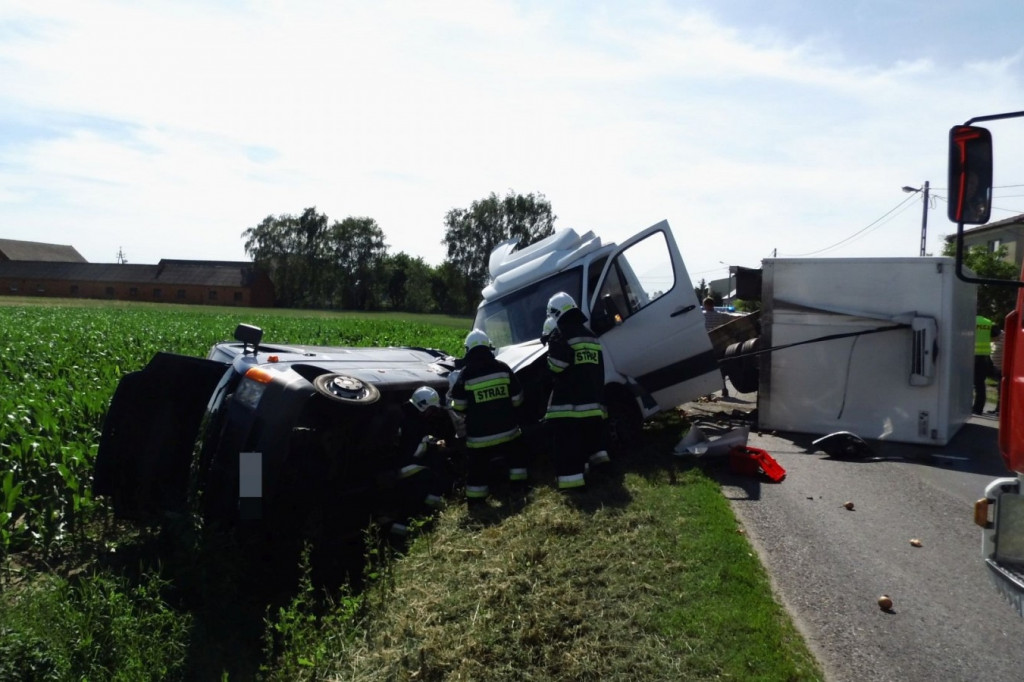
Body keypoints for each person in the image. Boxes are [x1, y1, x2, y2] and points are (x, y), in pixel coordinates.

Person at [449, 329, 526, 503]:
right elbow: (517, 399)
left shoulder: (465, 374)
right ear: (488, 347)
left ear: (468, 350)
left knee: (477, 470)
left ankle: (477, 501)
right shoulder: (503, 368)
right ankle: (518, 489)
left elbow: (459, 406)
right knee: (516, 458)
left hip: (479, 438)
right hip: (508, 432)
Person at [544, 291, 608, 491]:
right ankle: (600, 476)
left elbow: (557, 365)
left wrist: (550, 346)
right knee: (589, 445)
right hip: (592, 405)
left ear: (555, 313)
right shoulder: (591, 336)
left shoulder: (561, 332)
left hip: (568, 407)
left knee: (568, 449)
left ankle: (573, 487)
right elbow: (599, 372)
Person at [702, 297, 731, 397]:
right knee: (721, 368)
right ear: (713, 305)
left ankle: (708, 392)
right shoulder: (720, 316)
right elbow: (733, 318)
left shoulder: (702, 316)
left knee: (708, 368)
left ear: (705, 305)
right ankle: (724, 389)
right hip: (720, 346)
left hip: (708, 346)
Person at [974, 314, 994, 415]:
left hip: (970, 355)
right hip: (984, 356)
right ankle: (978, 408)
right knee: (980, 384)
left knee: (964, 382)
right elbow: (996, 336)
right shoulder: (988, 322)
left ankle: (962, 408)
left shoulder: (970, 321)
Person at [990, 323, 1004, 415]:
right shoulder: (996, 338)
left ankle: (1000, 410)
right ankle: (997, 409)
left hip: (1003, 368)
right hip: (996, 367)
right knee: (999, 389)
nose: (992, 340)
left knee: (1001, 390)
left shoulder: (1005, 338)